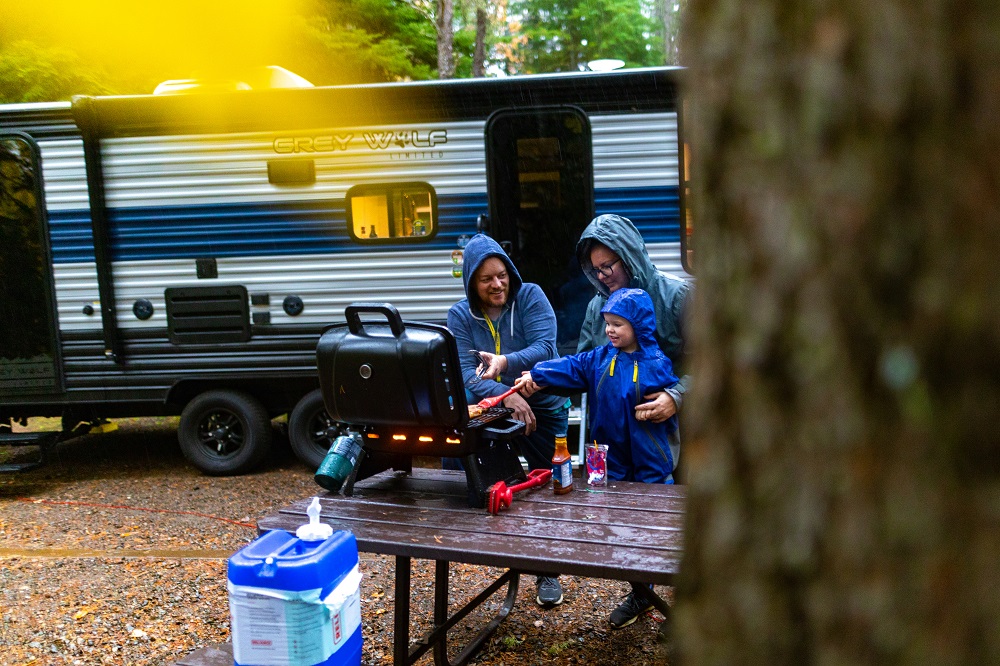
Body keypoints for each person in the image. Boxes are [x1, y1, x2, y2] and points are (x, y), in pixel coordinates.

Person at [514, 287, 678, 629]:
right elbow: (573, 366)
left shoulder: (656, 364)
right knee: (614, 529)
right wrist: (538, 375)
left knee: (654, 533)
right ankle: (641, 594)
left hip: (649, 463)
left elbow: (669, 412)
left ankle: (670, 605)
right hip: (607, 460)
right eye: (607, 323)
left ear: (640, 325)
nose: (610, 330)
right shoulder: (601, 358)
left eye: (618, 324)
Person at [446, 233, 571, 608]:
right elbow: (465, 375)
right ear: (472, 282)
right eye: (486, 279)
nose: (497, 284)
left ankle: (546, 571)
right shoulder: (459, 315)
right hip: (495, 411)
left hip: (543, 406)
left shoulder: (530, 296)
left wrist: (504, 364)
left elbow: (546, 349)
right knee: (492, 486)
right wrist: (508, 393)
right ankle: (497, 553)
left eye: (501, 275)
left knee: (546, 486)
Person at [576, 214, 691, 474]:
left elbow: (711, 363)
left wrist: (676, 396)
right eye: (595, 270)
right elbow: (583, 367)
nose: (602, 276)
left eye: (607, 266)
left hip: (670, 439)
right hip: (614, 444)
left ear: (629, 257)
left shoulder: (677, 296)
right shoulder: (597, 306)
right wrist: (540, 378)